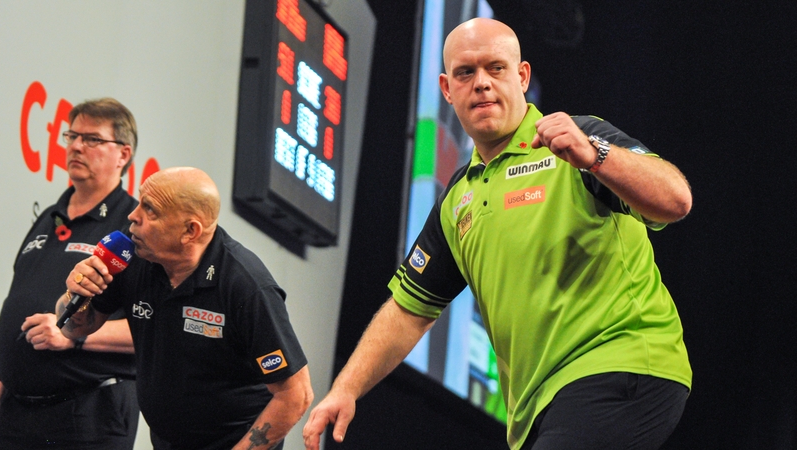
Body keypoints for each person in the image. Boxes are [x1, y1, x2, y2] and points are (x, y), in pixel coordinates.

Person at [304, 17, 693, 450]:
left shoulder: (577, 141)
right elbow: (408, 310)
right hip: (537, 406)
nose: (482, 84)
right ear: (447, 89)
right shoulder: (458, 199)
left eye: (496, 68)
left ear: (522, 76)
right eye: (466, 73)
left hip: (620, 364)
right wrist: (345, 389)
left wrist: (595, 155)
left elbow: (675, 200)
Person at [58, 166, 313, 450]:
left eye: (150, 209)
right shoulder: (134, 252)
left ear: (190, 231)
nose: (133, 215)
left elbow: (295, 395)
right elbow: (74, 328)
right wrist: (76, 292)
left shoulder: (246, 286)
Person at [0, 98, 140, 449]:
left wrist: (76, 335)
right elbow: (18, 302)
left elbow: (154, 326)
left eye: (92, 139)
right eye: (72, 135)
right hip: (17, 412)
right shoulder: (50, 216)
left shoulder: (135, 226)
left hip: (88, 413)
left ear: (123, 154)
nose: (76, 146)